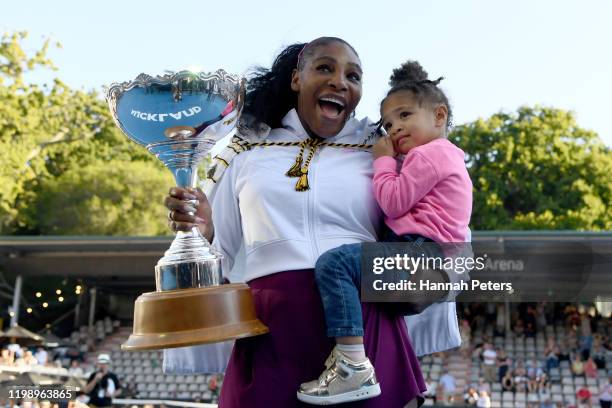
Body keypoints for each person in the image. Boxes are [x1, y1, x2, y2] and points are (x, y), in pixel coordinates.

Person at [164, 37, 463, 407]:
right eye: (325, 68)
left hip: (365, 327)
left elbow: (438, 215)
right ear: (295, 79)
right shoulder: (247, 150)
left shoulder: (384, 147)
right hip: (271, 328)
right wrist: (201, 228)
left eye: (353, 76)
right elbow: (218, 248)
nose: (340, 81)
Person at [298, 60, 472, 404]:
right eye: (389, 123)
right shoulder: (446, 157)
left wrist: (382, 160)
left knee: (334, 266)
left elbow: (392, 202)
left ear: (439, 117)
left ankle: (352, 365)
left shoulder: (429, 155)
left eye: (405, 116)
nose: (394, 130)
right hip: (426, 260)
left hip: (418, 254)